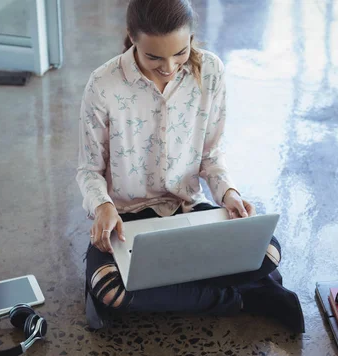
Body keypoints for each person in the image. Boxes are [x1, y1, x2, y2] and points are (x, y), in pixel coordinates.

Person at [76, 0, 304, 332]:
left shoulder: (210, 71)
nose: (169, 67)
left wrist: (228, 193)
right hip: (127, 223)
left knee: (267, 250)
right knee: (109, 289)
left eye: (180, 52)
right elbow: (89, 169)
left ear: (192, 36)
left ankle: (173, 292)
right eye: (154, 56)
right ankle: (242, 298)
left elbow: (211, 154)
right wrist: (103, 206)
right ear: (131, 37)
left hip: (186, 212)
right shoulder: (103, 84)